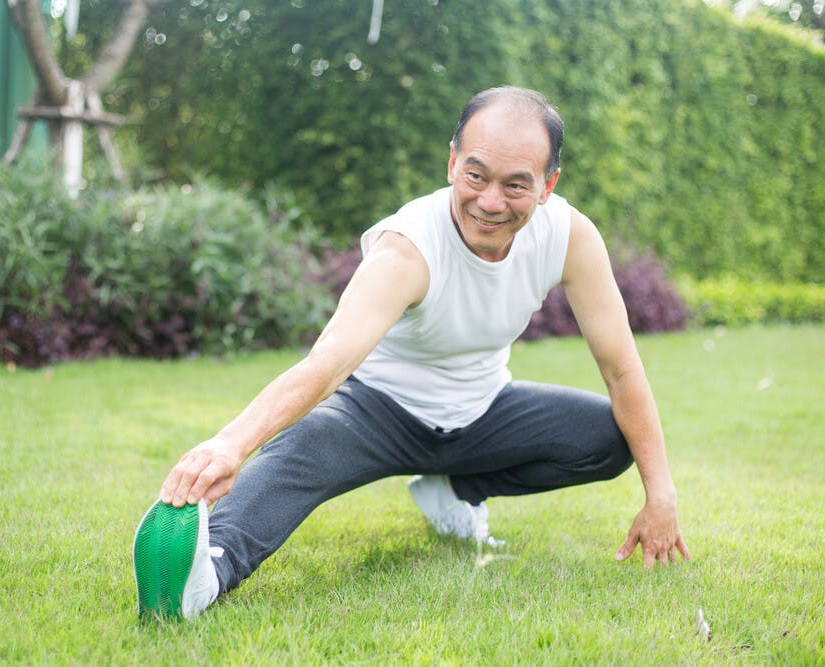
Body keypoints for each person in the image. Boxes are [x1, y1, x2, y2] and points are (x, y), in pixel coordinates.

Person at [133, 85, 690, 621]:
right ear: (452, 164)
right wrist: (231, 443)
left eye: (516, 185)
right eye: (476, 175)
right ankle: (206, 572)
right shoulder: (407, 250)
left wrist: (659, 493)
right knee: (295, 460)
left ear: (548, 185)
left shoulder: (570, 237)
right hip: (375, 410)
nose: (490, 202)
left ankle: (455, 488)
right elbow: (328, 363)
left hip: (482, 413)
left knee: (612, 438)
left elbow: (621, 368)